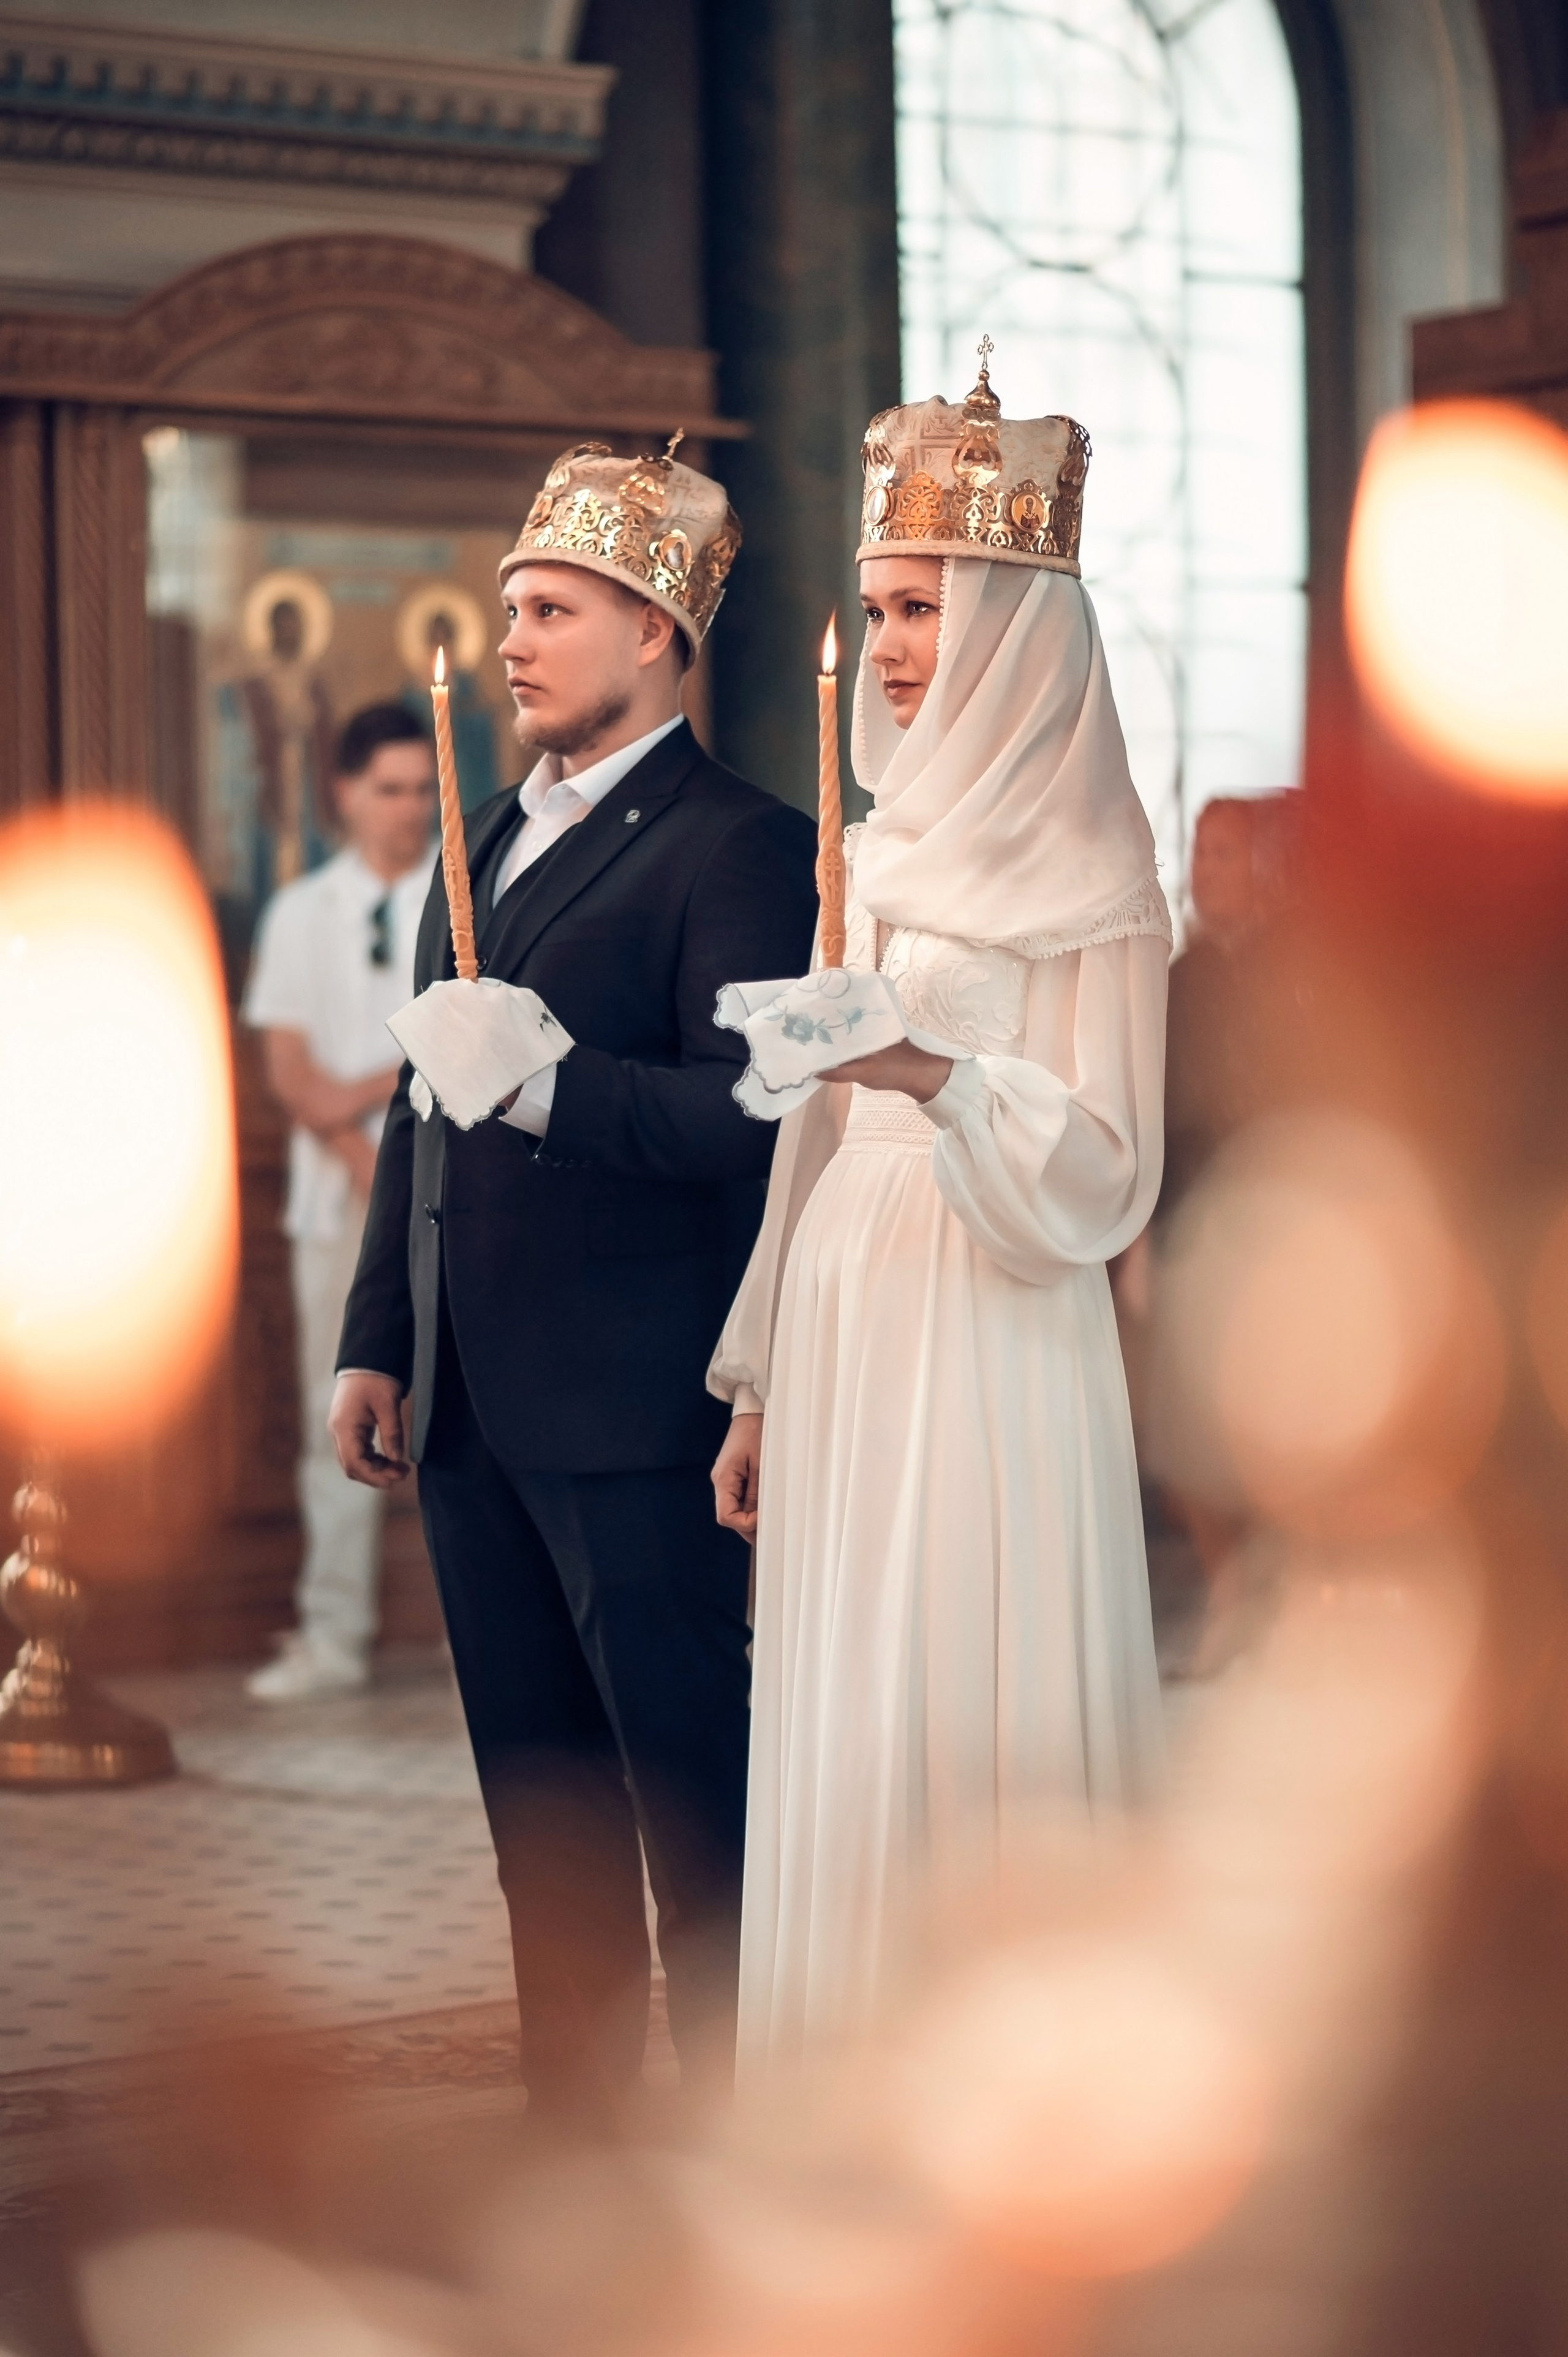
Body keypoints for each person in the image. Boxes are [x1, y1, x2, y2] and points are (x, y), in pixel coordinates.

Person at [328, 440, 818, 2126]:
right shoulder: (478, 843)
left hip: (635, 1405)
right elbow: (420, 1109)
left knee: (692, 1802)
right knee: (541, 1815)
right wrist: (378, 1337)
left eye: (552, 610)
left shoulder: (742, 847)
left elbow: (754, 1114)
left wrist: (551, 1086)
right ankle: (582, 2139)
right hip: (470, 1402)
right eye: (511, 609)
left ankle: (746, 2128)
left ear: (656, 630)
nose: (513, 640)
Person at [709, 357, 1170, 2070]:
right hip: (848, 1296)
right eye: (877, 610)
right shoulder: (879, 853)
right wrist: (758, 1383)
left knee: (968, 1686)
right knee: (843, 1692)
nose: (891, 647)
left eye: (921, 608)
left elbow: (1108, 1162)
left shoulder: (1099, 866)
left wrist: (939, 1075)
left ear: (1017, 628)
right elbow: (809, 1138)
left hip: (992, 1302)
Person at [243, 704, 438, 1702]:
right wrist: (381, 1120)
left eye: (423, 789)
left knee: (468, 1417)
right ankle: (333, 1635)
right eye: (389, 790)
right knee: (343, 1415)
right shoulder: (300, 913)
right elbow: (294, 1079)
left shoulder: (464, 897)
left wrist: (371, 1109)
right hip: (334, 1207)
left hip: (448, 1194)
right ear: (346, 794)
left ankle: (482, 1636)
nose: (409, 809)